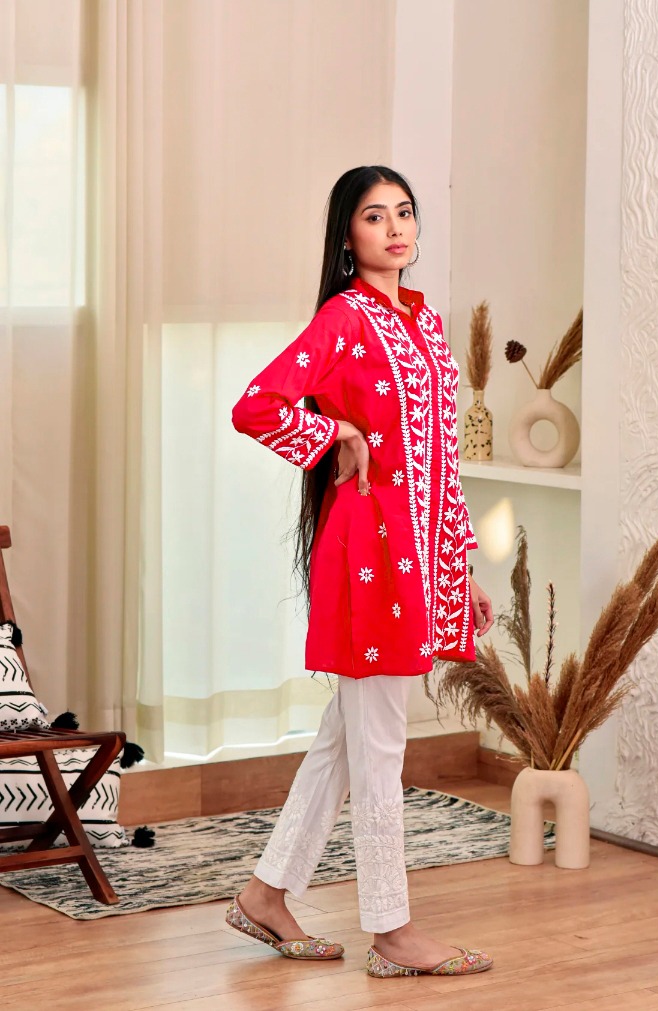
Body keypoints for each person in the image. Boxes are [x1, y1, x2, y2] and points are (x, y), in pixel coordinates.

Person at [227, 166, 495, 979]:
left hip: (419, 556)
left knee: (349, 738)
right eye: (375, 216)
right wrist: (333, 434)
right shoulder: (344, 318)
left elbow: (440, 460)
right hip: (369, 553)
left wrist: (460, 568)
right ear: (348, 236)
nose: (396, 228)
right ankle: (392, 930)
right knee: (380, 744)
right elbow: (257, 404)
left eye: (404, 212)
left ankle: (266, 895)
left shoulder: (426, 322)